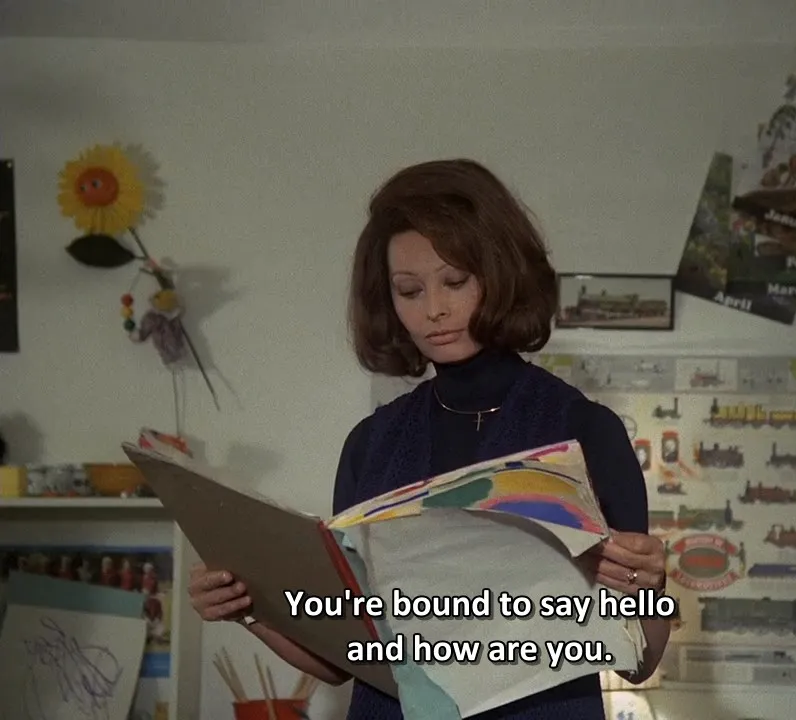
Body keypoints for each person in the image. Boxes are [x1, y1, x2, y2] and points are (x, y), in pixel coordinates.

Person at [187, 158, 670, 718]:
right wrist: (248, 606)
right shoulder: (371, 443)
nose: (434, 310)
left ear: (501, 275)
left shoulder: (586, 430)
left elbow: (639, 661)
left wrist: (647, 587)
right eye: (409, 290)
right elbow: (344, 658)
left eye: (455, 282)